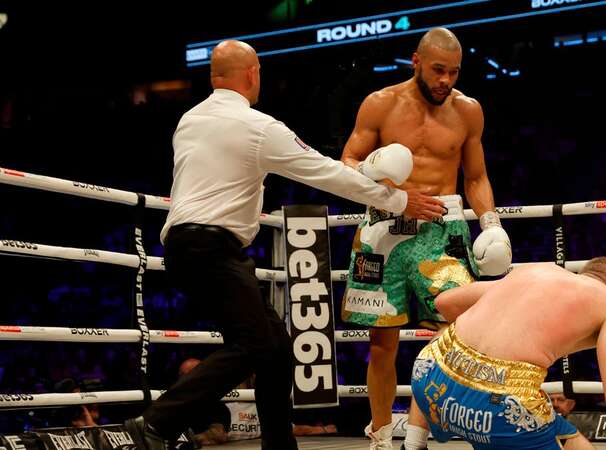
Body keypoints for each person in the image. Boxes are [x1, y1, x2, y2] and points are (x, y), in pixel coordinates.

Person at [124, 40, 445, 450]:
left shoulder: (189, 119)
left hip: (188, 246)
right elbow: (325, 173)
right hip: (211, 246)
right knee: (254, 344)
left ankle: (279, 445)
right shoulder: (258, 127)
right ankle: (155, 423)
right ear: (253, 73)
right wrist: (399, 200)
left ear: (213, 77)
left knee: (275, 348)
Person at [339, 27, 512, 449]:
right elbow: (347, 162)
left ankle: (459, 423)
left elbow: (475, 176)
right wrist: (390, 190)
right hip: (382, 230)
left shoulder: (468, 111)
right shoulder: (379, 104)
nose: (445, 81)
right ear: (415, 61)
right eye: (438, 70)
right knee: (381, 344)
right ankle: (381, 434)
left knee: (461, 329)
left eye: (453, 72)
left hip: (442, 230)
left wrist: (491, 223)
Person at [409, 258, 606, 449]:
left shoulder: (535, 271)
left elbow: (445, 302)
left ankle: (411, 443)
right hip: (500, 408)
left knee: (444, 336)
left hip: (430, 381)